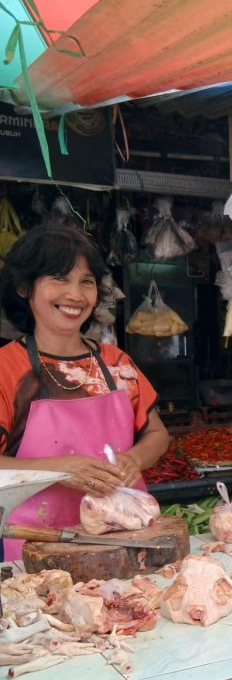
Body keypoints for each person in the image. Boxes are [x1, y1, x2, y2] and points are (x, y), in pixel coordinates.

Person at [0, 223, 169, 560]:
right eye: (59, 279)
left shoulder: (116, 362)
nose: (75, 295)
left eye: (86, 282)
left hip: (127, 539)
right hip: (39, 546)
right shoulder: (7, 368)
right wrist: (63, 469)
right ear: (23, 287)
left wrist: (134, 459)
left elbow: (157, 434)